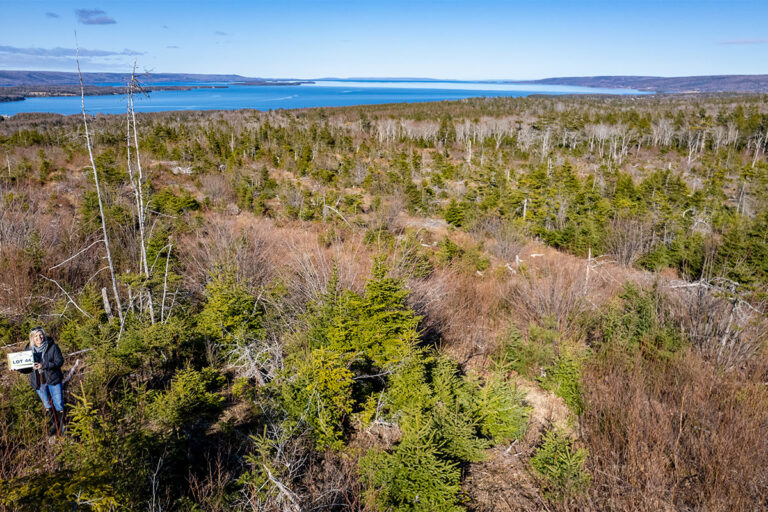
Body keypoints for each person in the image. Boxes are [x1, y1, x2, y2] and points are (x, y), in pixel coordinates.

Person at [19, 327, 66, 435]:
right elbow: (26, 368)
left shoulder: (52, 347)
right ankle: (55, 425)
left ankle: (63, 425)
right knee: (47, 404)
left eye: (40, 335)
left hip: (53, 380)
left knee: (58, 403)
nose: (39, 337)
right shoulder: (28, 351)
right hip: (39, 382)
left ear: (44, 335)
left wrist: (43, 365)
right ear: (32, 338)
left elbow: (59, 361)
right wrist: (18, 368)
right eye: (35, 336)